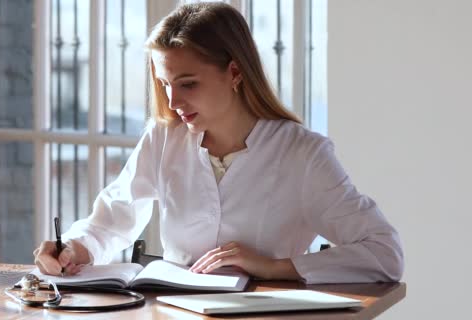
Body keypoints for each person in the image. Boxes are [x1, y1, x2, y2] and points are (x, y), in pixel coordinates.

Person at [33, 2, 404, 284]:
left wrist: (275, 267)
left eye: (188, 83)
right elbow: (111, 221)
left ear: (235, 72)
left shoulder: (302, 154)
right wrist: (72, 250)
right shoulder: (164, 138)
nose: (174, 101)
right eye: (165, 84)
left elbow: (384, 254)